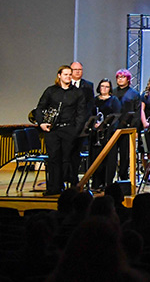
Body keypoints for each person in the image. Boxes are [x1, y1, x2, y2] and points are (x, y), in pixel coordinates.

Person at [36, 65, 87, 196]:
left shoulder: (77, 92)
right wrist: (42, 123)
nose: (68, 77)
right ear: (59, 75)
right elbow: (40, 108)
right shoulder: (51, 91)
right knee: (53, 159)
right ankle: (54, 188)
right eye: (66, 74)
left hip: (69, 129)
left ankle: (70, 189)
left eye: (70, 74)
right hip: (52, 130)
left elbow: (81, 113)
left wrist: (76, 130)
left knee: (68, 159)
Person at [89, 79, 121, 191]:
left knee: (110, 159)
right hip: (96, 134)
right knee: (96, 158)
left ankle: (108, 184)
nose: (104, 88)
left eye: (107, 86)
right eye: (102, 86)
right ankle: (96, 183)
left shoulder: (114, 100)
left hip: (109, 133)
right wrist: (94, 124)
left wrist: (106, 125)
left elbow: (116, 115)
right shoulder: (94, 100)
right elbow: (90, 115)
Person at [112, 69, 141, 182]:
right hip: (114, 127)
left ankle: (123, 176)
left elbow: (137, 113)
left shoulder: (134, 94)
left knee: (125, 154)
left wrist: (135, 129)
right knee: (112, 153)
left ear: (128, 79)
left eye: (123, 77)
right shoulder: (113, 92)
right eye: (118, 77)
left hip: (127, 128)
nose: (120, 79)